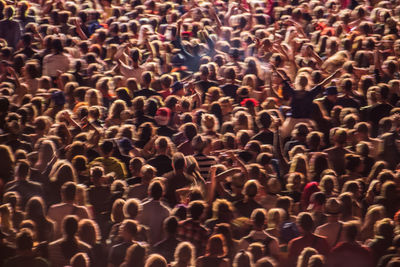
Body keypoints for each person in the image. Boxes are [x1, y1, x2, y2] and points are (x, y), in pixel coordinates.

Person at [138, 180, 171, 245]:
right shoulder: (166, 211)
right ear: (162, 193)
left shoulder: (141, 208)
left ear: (149, 192)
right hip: (158, 246)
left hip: (143, 244)